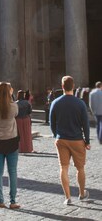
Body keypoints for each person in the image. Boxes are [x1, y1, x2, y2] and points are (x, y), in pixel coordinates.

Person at [49, 75, 90, 206]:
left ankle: (67, 197)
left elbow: (52, 123)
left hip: (62, 139)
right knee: (80, 168)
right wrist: (87, 141)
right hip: (77, 139)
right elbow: (86, 124)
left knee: (63, 168)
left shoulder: (55, 102)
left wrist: (56, 135)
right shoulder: (80, 103)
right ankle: (82, 193)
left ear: (62, 87)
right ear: (73, 86)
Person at [0, 82, 20, 210]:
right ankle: (12, 201)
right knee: (12, 172)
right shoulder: (13, 107)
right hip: (11, 141)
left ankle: (0, 201)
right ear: (9, 92)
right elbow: (15, 112)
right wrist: (11, 95)